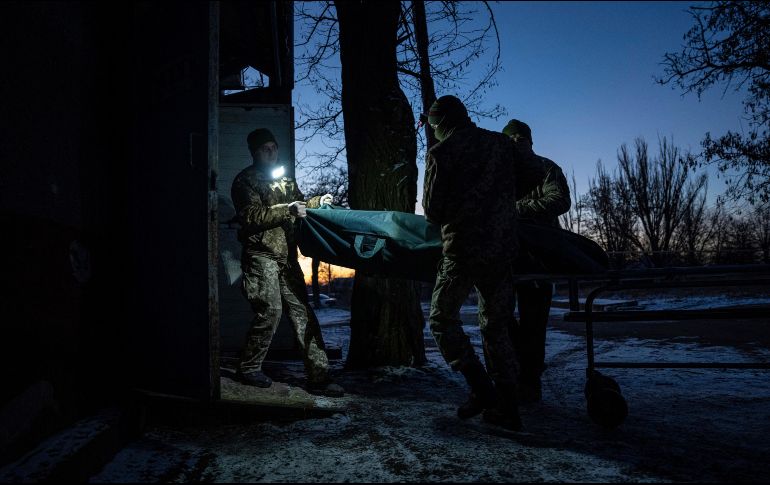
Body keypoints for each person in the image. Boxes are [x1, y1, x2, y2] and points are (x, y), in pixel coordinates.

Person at [423, 95, 522, 431]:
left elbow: (433, 210)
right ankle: (508, 407)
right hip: (502, 250)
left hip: (463, 252)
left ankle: (482, 390)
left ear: (440, 123)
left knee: (441, 318)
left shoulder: (441, 153)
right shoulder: (501, 144)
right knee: (497, 328)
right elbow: (532, 174)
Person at [230, 128, 343, 397]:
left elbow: (299, 203)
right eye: (264, 149)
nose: (271, 152)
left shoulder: (284, 179)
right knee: (270, 311)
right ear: (254, 152)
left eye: (274, 147)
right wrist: (286, 209)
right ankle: (249, 368)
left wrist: (318, 201)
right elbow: (251, 216)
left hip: (287, 258)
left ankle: (320, 376)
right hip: (261, 255)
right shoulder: (244, 181)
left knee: (303, 314)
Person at [502, 119, 571, 403]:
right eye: (512, 140)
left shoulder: (546, 168)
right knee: (498, 318)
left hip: (539, 255)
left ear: (531, 142)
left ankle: (529, 382)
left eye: (522, 139)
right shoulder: (499, 173)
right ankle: (513, 374)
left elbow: (560, 200)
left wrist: (517, 210)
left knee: (534, 322)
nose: (518, 143)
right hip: (504, 254)